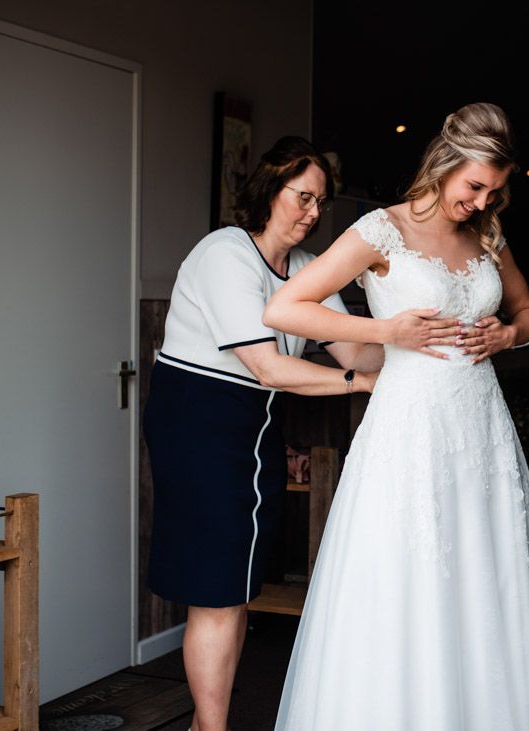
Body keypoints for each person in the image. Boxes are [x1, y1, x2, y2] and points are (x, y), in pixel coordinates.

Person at [263, 104, 529, 730]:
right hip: (410, 427)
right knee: (411, 571)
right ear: (445, 164)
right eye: (475, 186)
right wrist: (387, 331)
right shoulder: (382, 230)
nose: (482, 201)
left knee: (486, 573)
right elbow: (286, 308)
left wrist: (508, 334)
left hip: (482, 431)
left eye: (494, 191)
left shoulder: (488, 236)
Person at [143, 135, 459, 731]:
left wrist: (427, 331)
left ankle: (207, 724)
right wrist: (361, 383)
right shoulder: (225, 254)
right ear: (270, 189)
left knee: (236, 586)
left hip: (255, 423)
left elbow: (356, 352)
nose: (313, 212)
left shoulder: (308, 268)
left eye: (321, 202)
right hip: (198, 422)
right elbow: (268, 367)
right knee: (216, 588)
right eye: (303, 197)